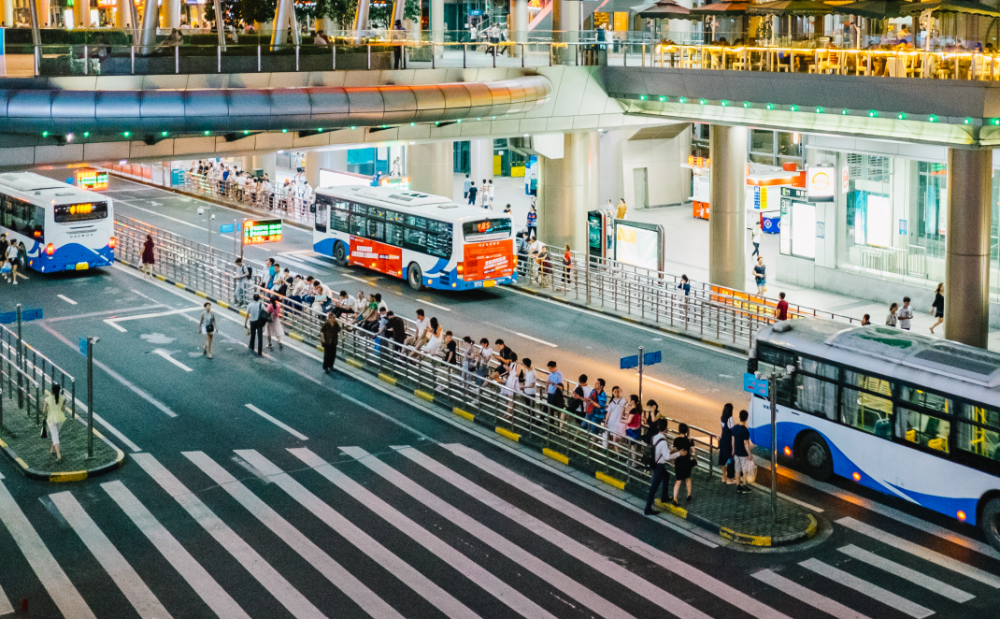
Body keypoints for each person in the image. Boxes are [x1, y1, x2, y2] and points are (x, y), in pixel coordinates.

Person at [644, 419, 673, 515]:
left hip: (654, 463)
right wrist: (678, 454)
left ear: (657, 427)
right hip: (659, 465)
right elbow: (667, 456)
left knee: (667, 476)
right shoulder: (663, 441)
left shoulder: (654, 437)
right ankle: (648, 508)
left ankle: (664, 497)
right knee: (654, 487)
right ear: (666, 428)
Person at [44, 384, 68, 462]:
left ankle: (58, 455)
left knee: (55, 436)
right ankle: (52, 449)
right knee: (55, 433)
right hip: (60, 419)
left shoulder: (47, 399)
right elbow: (63, 409)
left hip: (51, 419)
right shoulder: (63, 398)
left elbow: (44, 411)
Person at [672, 423, 694, 504]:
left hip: (679, 462)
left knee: (678, 481)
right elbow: (694, 451)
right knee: (688, 478)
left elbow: (674, 451)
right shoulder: (689, 440)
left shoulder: (676, 440)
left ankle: (675, 498)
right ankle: (689, 495)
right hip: (687, 462)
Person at [732, 410, 753, 494]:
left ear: (739, 417)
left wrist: (733, 449)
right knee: (745, 470)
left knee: (737, 469)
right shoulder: (745, 431)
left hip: (736, 452)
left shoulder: (735, 428)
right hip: (743, 453)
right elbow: (746, 444)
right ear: (747, 418)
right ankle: (744, 485)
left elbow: (732, 440)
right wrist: (749, 454)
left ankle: (738, 485)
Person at [718, 404, 735, 484]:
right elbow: (733, 434)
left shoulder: (722, 418)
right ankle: (729, 479)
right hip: (728, 442)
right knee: (728, 460)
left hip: (722, 441)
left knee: (723, 459)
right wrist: (733, 446)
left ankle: (723, 477)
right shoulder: (730, 419)